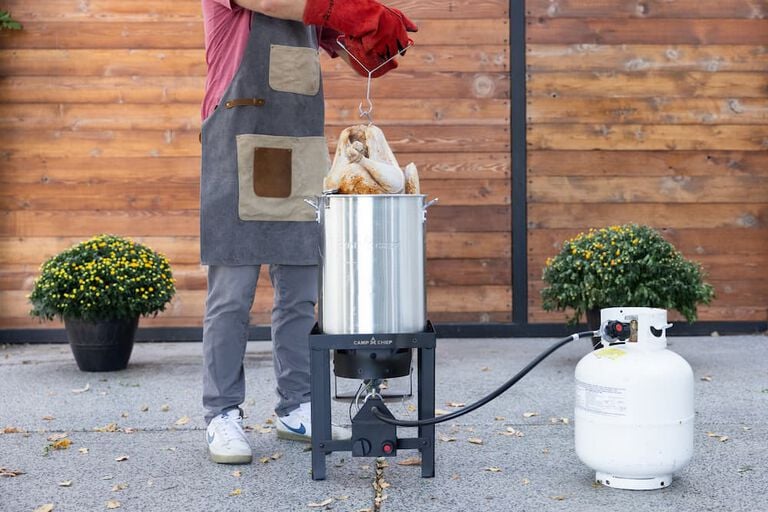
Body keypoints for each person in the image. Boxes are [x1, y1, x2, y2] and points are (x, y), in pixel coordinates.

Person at [199, 0, 417, 464]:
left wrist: (371, 42)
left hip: (299, 153)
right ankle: (222, 413)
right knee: (232, 295)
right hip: (237, 143)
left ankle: (295, 405)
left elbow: (355, 59)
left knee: (299, 291)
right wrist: (346, 10)